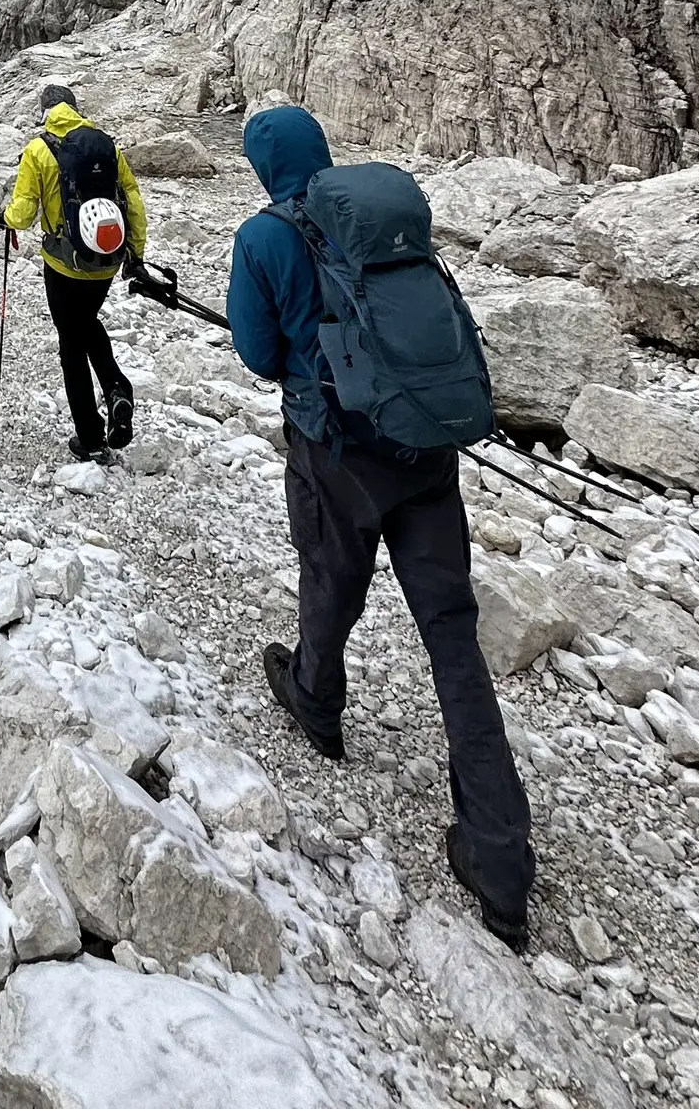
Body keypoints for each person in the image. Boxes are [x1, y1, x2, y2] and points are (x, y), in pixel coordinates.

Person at [226, 104, 536, 950]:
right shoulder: (379, 218)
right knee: (453, 633)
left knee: (332, 581)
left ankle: (317, 698)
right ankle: (500, 853)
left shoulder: (263, 239)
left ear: (262, 166)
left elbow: (256, 355)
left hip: (338, 453)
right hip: (426, 448)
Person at [3, 82, 148, 463]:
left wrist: (5, 217)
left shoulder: (38, 149)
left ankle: (90, 436)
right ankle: (117, 389)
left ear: (45, 111)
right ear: (75, 108)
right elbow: (131, 199)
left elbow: (23, 211)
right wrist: (136, 254)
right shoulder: (106, 144)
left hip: (63, 263)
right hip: (106, 258)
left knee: (71, 343)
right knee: (86, 322)